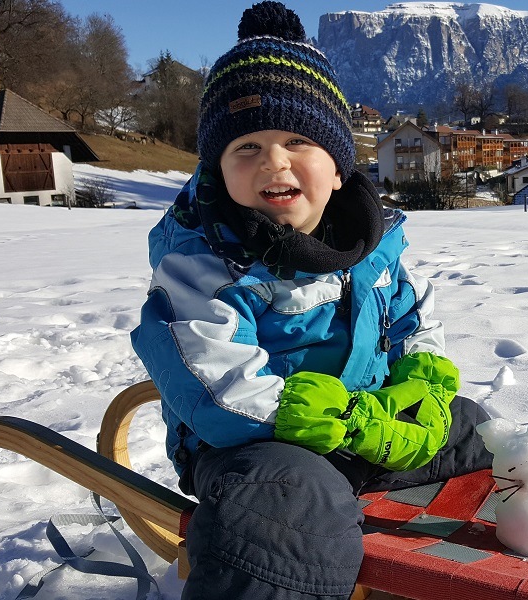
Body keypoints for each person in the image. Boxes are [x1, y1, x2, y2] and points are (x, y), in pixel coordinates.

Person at [129, 3, 493, 598]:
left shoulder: (369, 246)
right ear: (219, 172)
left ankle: (458, 573)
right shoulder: (202, 262)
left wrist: (422, 390)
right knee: (287, 504)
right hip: (254, 446)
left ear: (339, 167)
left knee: (471, 428)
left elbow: (414, 318)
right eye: (246, 147)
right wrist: (349, 426)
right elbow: (213, 378)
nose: (274, 160)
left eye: (298, 139)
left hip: (366, 427)